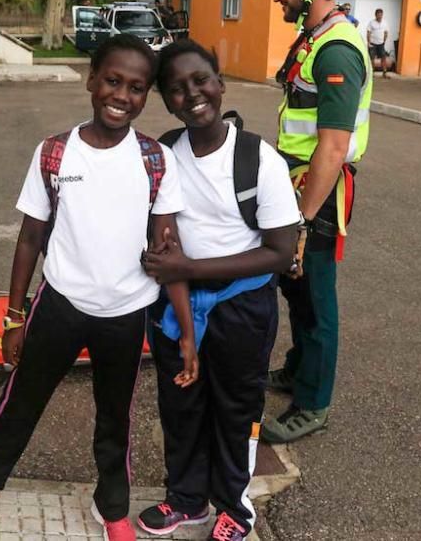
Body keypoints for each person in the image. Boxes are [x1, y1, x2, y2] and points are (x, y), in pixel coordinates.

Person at [0, 34, 198, 541]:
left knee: (115, 416)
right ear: (91, 81)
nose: (122, 95)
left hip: (126, 313)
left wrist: (186, 330)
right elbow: (30, 237)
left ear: (146, 96)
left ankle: (114, 508)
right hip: (60, 303)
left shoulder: (155, 161)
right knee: (23, 397)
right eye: (113, 81)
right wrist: (13, 318)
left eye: (137, 87)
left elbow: (169, 252)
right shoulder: (55, 153)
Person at [137, 40, 300, 541]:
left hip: (242, 306)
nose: (193, 95)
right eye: (177, 89)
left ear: (220, 82)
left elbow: (279, 251)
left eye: (201, 80)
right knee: (181, 403)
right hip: (179, 302)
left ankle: (235, 505)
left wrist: (192, 265)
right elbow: (167, 251)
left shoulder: (258, 159)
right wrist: (180, 277)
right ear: (167, 100)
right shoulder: (166, 154)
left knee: (237, 406)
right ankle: (186, 499)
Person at [262, 0, 372, 443]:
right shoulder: (314, 37)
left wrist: (303, 221)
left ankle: (314, 402)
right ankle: (297, 371)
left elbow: (332, 146)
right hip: (296, 182)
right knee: (296, 290)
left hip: (319, 193)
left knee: (316, 297)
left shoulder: (337, 51)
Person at [366, 8, 390, 78]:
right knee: (372, 58)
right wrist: (369, 42)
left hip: (381, 44)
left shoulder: (385, 23)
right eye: (378, 15)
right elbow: (368, 33)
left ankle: (384, 73)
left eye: (381, 15)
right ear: (375, 15)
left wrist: (384, 41)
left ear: (382, 15)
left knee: (383, 58)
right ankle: (372, 73)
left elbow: (386, 32)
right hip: (373, 44)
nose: (379, 16)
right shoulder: (371, 23)